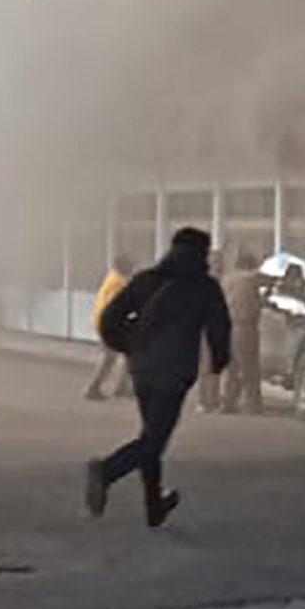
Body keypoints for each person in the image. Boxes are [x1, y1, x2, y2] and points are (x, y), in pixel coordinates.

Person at [85, 226, 231, 527]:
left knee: (151, 436)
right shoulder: (205, 287)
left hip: (142, 370)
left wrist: (128, 346)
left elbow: (108, 319)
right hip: (174, 374)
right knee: (153, 440)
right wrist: (219, 361)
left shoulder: (147, 280)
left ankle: (154, 505)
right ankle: (106, 471)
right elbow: (220, 328)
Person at [217, 248, 268, 414]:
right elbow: (268, 280)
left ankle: (228, 402)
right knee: (249, 367)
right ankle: (253, 404)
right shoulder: (251, 277)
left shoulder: (227, 279)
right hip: (245, 327)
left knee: (232, 368)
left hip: (227, 327)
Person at [84, 252, 137, 401]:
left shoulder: (113, 278)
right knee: (110, 358)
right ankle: (94, 388)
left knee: (126, 355)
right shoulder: (118, 283)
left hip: (106, 323)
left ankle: (121, 387)